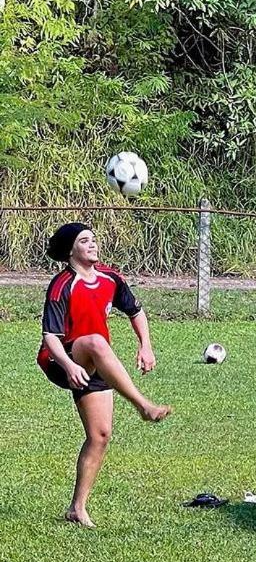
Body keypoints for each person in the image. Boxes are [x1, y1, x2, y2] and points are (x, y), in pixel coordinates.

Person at [38, 223, 171, 528]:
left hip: (97, 361)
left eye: (94, 240)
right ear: (71, 250)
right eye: (85, 241)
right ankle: (143, 405)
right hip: (61, 360)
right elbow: (51, 337)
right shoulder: (61, 285)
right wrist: (70, 366)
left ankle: (77, 508)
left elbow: (135, 312)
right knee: (96, 341)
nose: (93, 245)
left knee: (100, 436)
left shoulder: (111, 278)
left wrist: (146, 346)